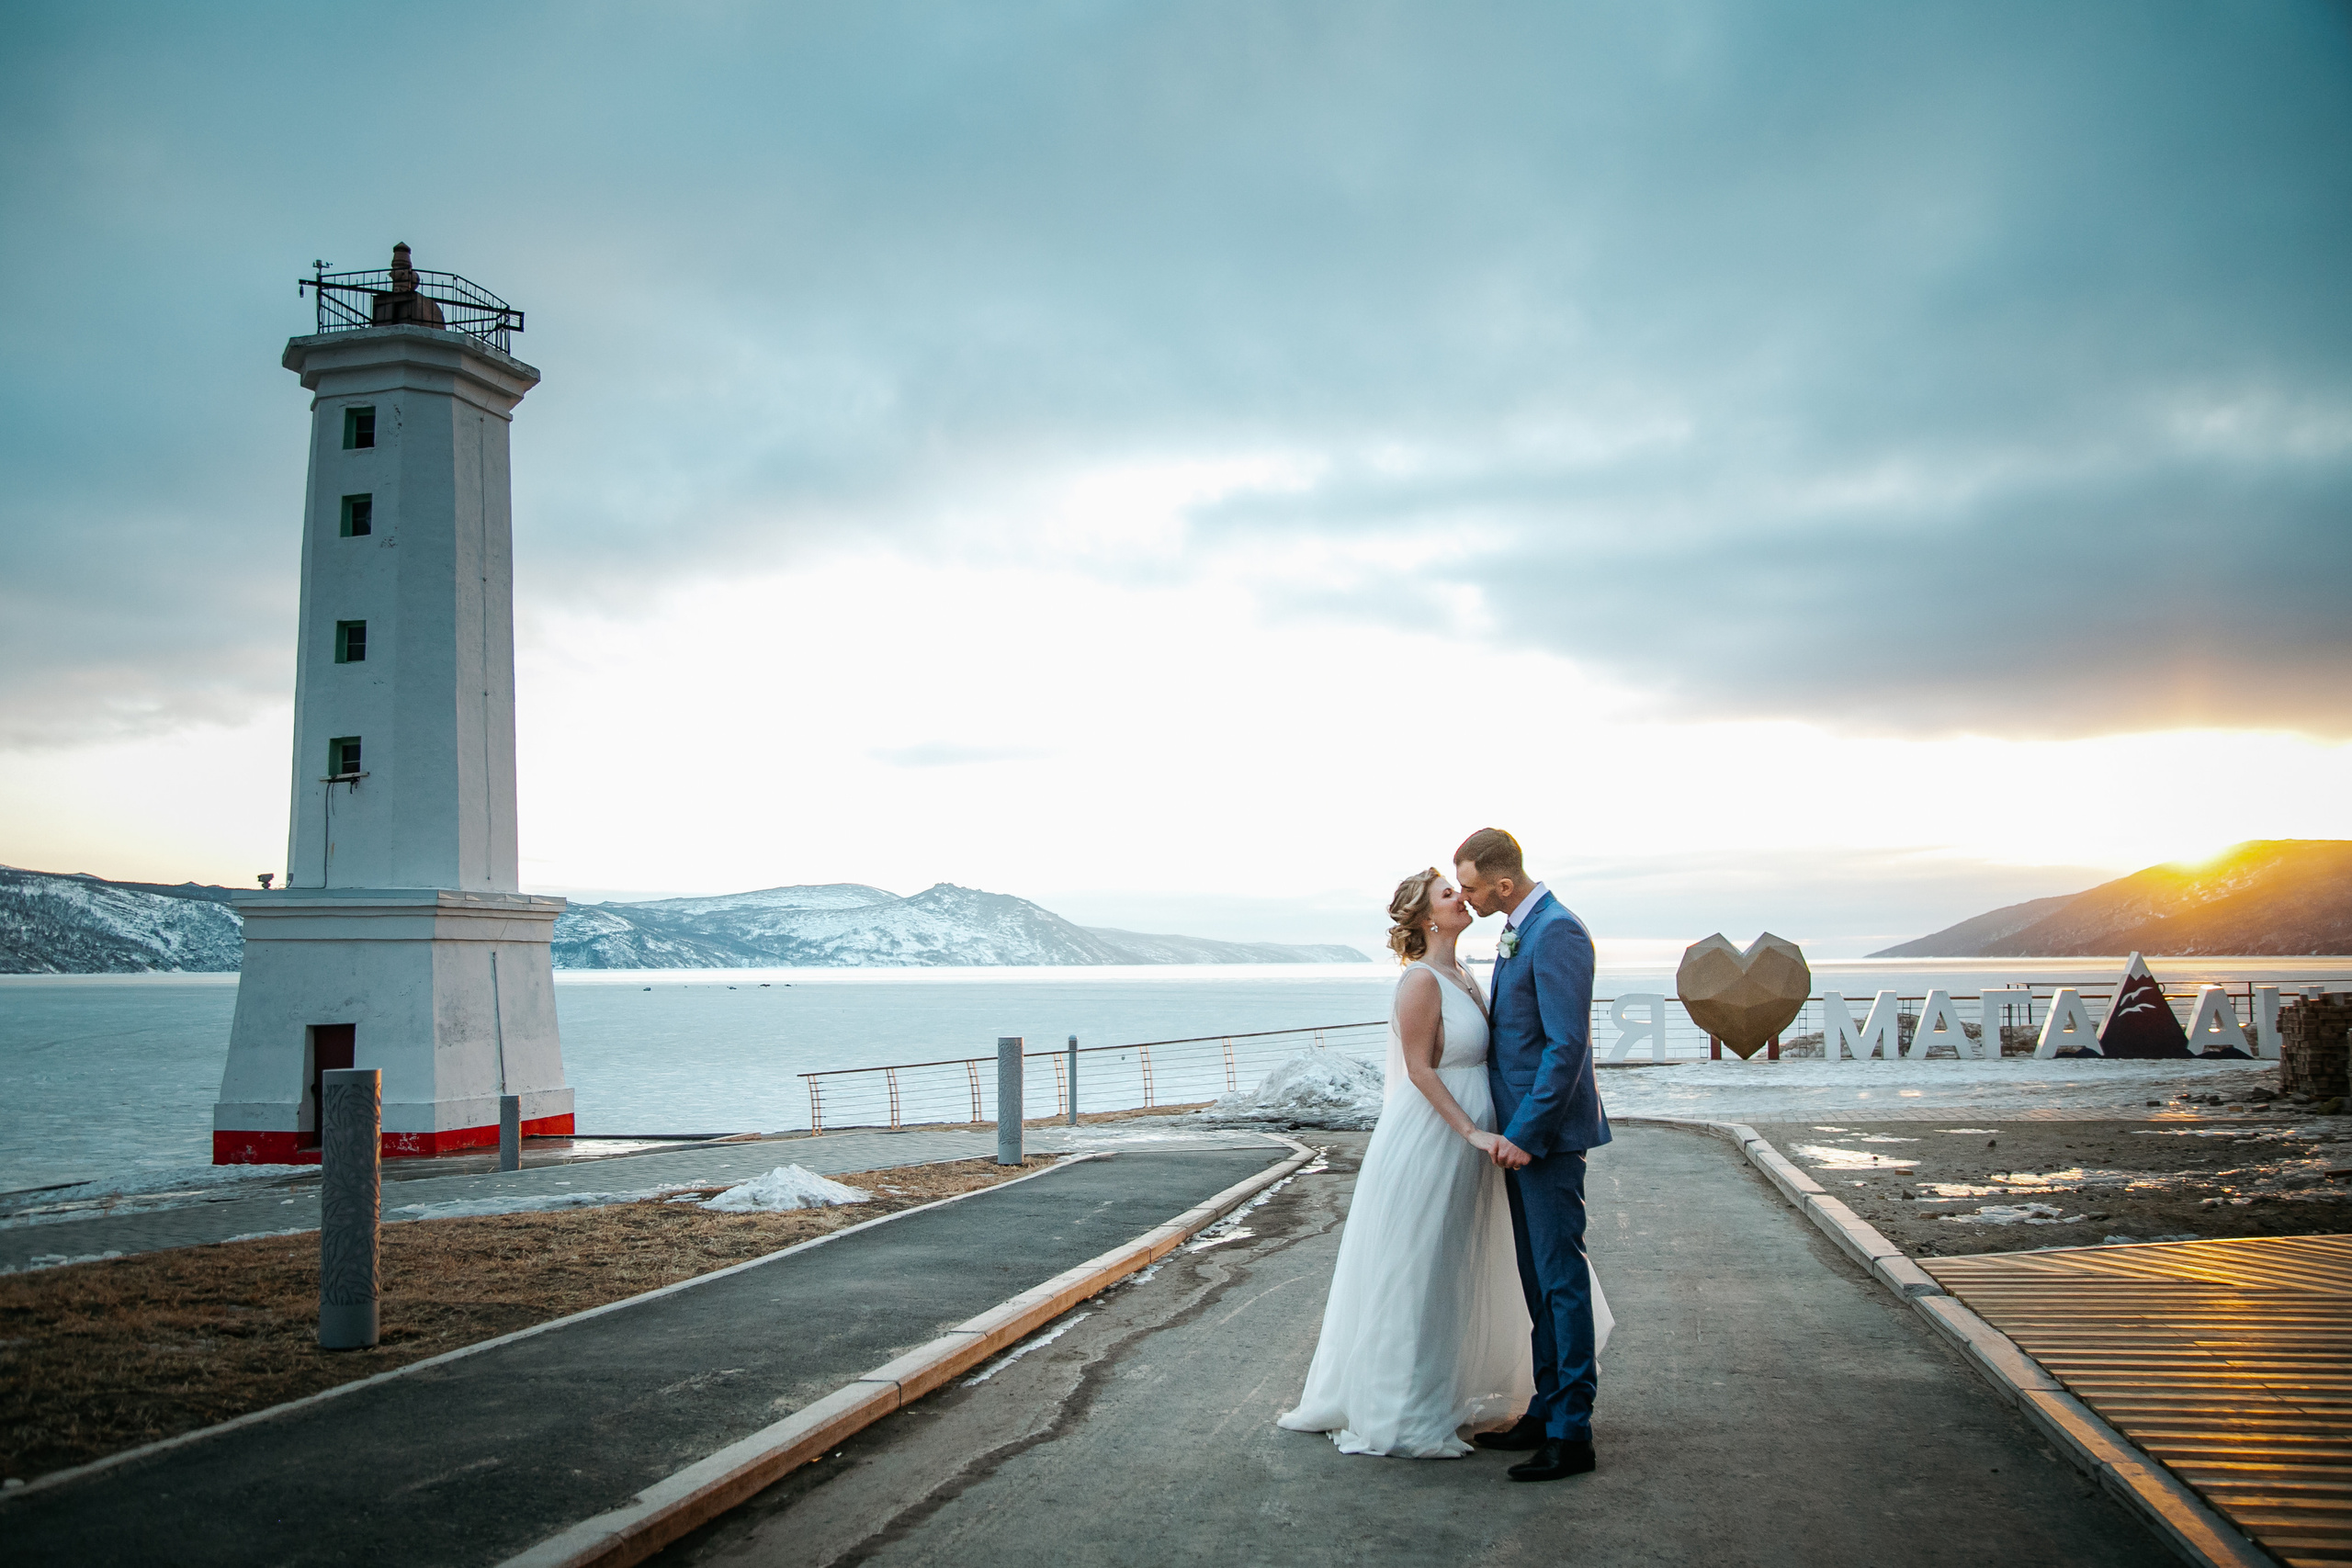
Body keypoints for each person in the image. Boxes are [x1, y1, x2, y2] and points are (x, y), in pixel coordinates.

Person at [1277, 866, 1610, 1461]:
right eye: (1450, 892)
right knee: (1421, 1266)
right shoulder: (1421, 982)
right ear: (1428, 915)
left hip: (1491, 1141)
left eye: (1465, 886)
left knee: (1477, 1266)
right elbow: (1420, 1069)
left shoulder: (1468, 973)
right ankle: (1405, 1405)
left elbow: (1547, 1043)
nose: (1464, 898)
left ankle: (1556, 1410)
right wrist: (1474, 1132)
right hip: (1439, 1139)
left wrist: (1501, 1131)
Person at [1454, 826, 1611, 1481]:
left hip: (1543, 1139)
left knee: (1560, 1279)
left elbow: (1565, 1045)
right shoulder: (1522, 925)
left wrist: (1525, 1132)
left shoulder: (1557, 931)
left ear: (1504, 883)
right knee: (1535, 1280)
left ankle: (1572, 1432)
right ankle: (1546, 1408)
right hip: (1522, 1137)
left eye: (1470, 886)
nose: (1465, 898)